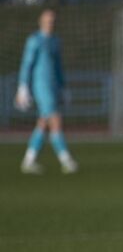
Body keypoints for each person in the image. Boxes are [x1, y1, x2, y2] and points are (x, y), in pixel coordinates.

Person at [15, 9, 78, 175]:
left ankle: (29, 160)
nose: (51, 24)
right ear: (41, 22)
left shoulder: (55, 41)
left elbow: (58, 67)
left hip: (52, 86)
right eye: (48, 21)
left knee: (43, 123)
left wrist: (63, 87)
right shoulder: (34, 40)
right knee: (55, 120)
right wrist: (23, 86)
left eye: (53, 21)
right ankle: (66, 159)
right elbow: (27, 64)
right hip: (40, 86)